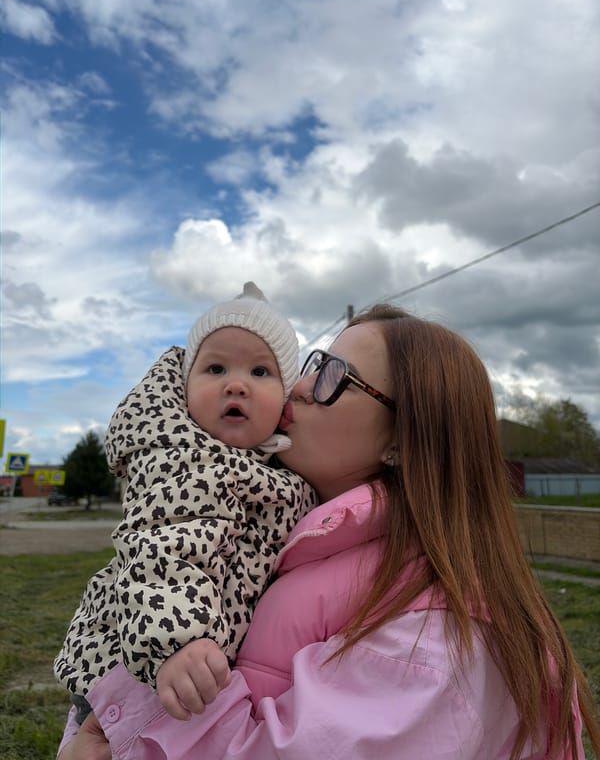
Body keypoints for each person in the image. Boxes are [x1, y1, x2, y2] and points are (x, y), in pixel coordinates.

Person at [58, 303, 600, 760]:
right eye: (314, 364)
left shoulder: (433, 642)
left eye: (335, 376)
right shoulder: (304, 543)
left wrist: (120, 724)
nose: (298, 387)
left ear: (404, 442)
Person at [53, 282, 316, 737]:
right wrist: (177, 639)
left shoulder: (268, 468)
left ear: (286, 399)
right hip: (139, 665)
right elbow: (163, 547)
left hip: (189, 672)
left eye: (260, 372)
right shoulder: (183, 458)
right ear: (184, 385)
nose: (236, 383)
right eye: (215, 368)